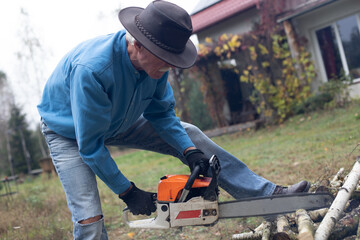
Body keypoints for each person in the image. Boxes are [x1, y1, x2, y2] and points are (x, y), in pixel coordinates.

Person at [38, 1, 310, 239]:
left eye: (172, 60)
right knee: (89, 217)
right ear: (138, 44)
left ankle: (270, 196)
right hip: (70, 133)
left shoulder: (155, 66)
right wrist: (128, 191)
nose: (170, 67)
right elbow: (91, 147)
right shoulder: (93, 70)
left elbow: (162, 114)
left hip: (120, 119)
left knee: (190, 134)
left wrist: (190, 152)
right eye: (165, 60)